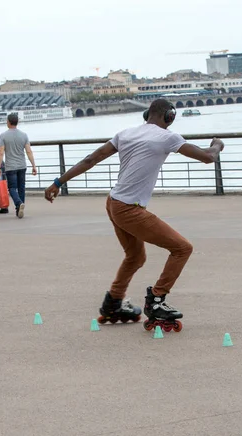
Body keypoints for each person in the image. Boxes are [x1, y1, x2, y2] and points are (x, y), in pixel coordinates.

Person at [44, 99, 224, 327]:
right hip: (130, 209)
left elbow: (92, 159)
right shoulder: (168, 137)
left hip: (113, 202)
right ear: (169, 116)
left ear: (147, 114)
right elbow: (208, 157)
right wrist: (217, 144)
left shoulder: (126, 134)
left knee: (136, 257)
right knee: (182, 248)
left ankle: (114, 304)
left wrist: (58, 182)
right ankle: (157, 300)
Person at [0, 113, 37, 218]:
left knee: (12, 188)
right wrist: (33, 165)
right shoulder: (24, 135)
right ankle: (19, 208)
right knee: (21, 187)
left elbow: (1, 152)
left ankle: (18, 204)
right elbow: (29, 151)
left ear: (8, 122)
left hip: (11, 166)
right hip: (22, 165)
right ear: (17, 122)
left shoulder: (3, 135)